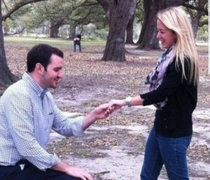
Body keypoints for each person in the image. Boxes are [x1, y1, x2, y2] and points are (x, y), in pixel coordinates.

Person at [108, 6, 199, 180]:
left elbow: (159, 94)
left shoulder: (182, 61)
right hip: (159, 128)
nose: (157, 36)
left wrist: (124, 102)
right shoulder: (168, 56)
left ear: (177, 32)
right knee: (147, 176)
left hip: (175, 134)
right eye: (158, 31)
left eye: (162, 32)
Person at [0, 44, 113, 180]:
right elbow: (27, 147)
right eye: (57, 70)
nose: (61, 75)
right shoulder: (18, 95)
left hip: (30, 165)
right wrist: (67, 168)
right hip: (9, 170)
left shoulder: (44, 95)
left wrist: (94, 115)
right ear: (40, 68)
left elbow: (64, 126)